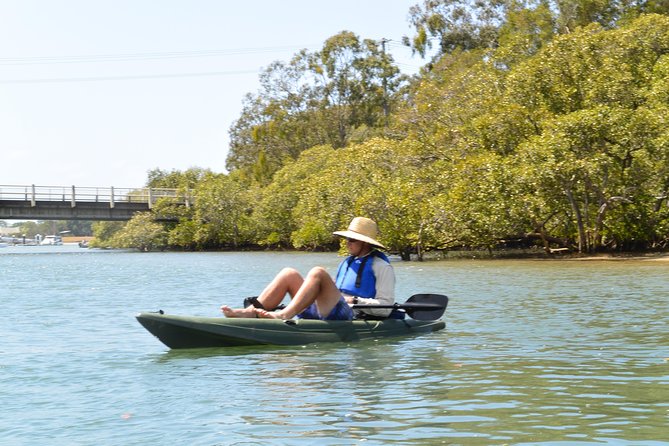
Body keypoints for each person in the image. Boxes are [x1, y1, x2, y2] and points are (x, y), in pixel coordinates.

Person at [220, 216, 395, 320]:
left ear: (365, 243)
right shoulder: (348, 262)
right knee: (289, 273)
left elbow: (385, 307)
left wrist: (355, 301)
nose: (347, 243)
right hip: (331, 308)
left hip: (351, 315)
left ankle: (283, 315)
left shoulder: (381, 266)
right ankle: (252, 312)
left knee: (318, 272)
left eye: (352, 240)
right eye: (347, 239)